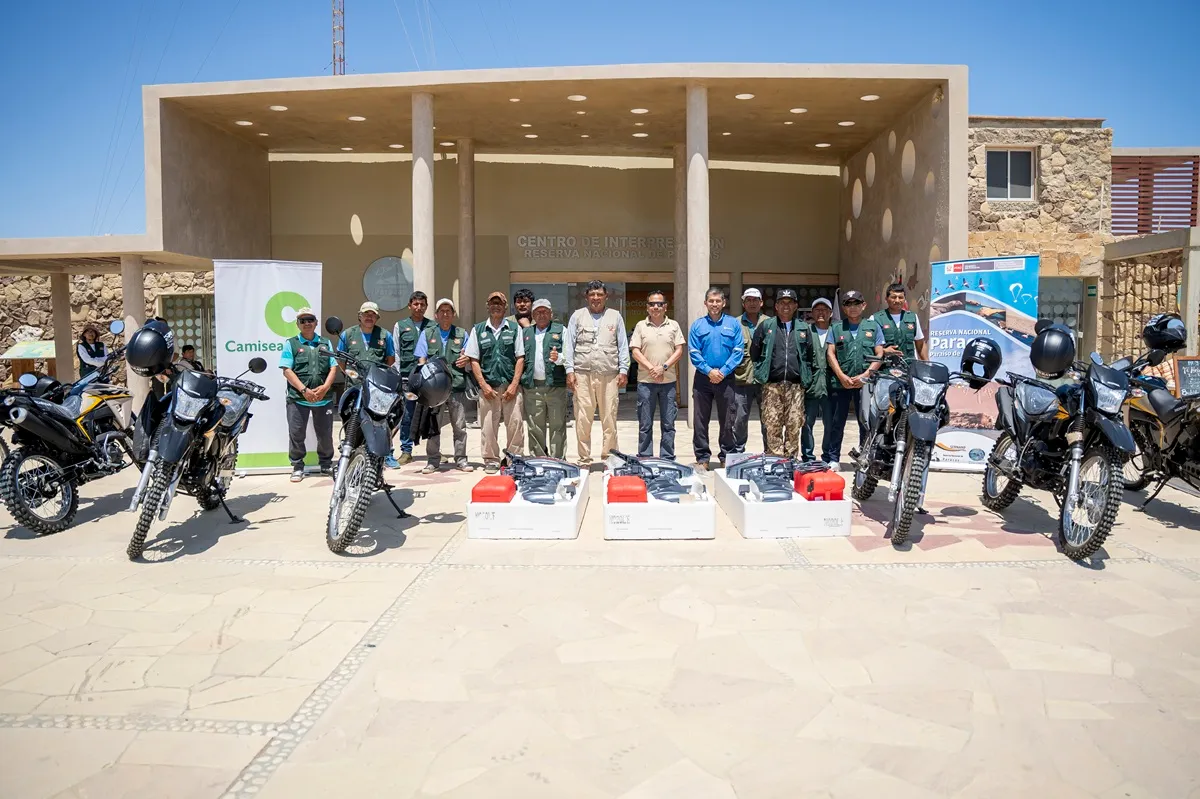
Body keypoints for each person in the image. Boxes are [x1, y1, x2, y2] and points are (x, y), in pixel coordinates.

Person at [563, 280, 629, 467]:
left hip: (609, 374)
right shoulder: (577, 316)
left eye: (599, 294)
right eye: (592, 294)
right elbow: (569, 345)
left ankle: (609, 458)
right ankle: (584, 459)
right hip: (582, 375)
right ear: (587, 297)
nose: (596, 298)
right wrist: (569, 370)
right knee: (583, 418)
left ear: (606, 296)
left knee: (610, 418)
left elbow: (623, 345)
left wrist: (623, 370)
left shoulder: (615, 316)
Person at [749, 289, 820, 459]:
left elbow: (810, 356)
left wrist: (806, 378)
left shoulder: (803, 328)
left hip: (795, 387)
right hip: (772, 386)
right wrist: (762, 373)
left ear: (796, 306)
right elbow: (754, 353)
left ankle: (790, 461)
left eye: (790, 303)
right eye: (782, 302)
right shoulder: (766, 326)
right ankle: (775, 461)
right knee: (772, 425)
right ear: (776, 306)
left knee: (794, 425)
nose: (785, 306)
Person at [466, 291, 525, 473]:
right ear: (488, 306)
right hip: (488, 387)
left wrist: (514, 385)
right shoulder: (478, 330)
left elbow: (520, 358)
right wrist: (483, 386)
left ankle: (514, 459)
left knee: (515, 423)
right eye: (493, 303)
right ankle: (491, 459)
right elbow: (474, 359)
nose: (496, 306)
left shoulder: (514, 329)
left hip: (510, 386)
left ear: (505, 307)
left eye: (499, 303)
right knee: (488, 426)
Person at [688, 287, 744, 470]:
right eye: (711, 301)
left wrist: (723, 371)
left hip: (726, 378)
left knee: (727, 420)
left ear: (723, 303)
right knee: (700, 420)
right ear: (705, 303)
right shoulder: (697, 325)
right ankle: (702, 458)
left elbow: (738, 351)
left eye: (718, 301)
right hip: (703, 379)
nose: (714, 304)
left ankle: (726, 455)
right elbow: (694, 352)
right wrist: (709, 371)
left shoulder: (733, 324)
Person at [414, 298, 472, 473]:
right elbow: (421, 359)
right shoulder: (427, 334)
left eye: (449, 311)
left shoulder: (462, 334)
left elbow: (470, 356)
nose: (445, 314)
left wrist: (466, 358)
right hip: (435, 390)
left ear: (453, 315)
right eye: (442, 311)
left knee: (459, 426)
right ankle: (433, 460)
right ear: (436, 315)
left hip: (456, 387)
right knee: (434, 426)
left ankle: (461, 459)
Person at [280, 307, 337, 482]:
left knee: (325, 434)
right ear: (298, 324)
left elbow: (333, 367)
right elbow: (287, 370)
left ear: (316, 323)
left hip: (323, 399)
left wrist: (325, 387)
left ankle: (326, 464)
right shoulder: (291, 343)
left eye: (310, 320)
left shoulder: (325, 343)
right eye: (303, 321)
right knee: (296, 433)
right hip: (298, 399)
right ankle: (298, 466)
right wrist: (304, 390)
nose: (307, 323)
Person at [826, 290, 883, 464]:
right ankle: (833, 459)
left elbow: (879, 354)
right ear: (843, 308)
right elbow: (830, 353)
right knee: (837, 422)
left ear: (863, 305)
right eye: (848, 304)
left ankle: (864, 457)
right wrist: (841, 376)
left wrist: (866, 375)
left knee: (865, 422)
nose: (853, 307)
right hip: (841, 383)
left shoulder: (873, 327)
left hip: (864, 384)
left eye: (856, 303)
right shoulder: (836, 328)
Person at [630, 290, 685, 460]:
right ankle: (645, 457)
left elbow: (679, 350)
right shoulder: (640, 326)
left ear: (665, 307)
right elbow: (635, 351)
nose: (656, 307)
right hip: (646, 382)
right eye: (652, 304)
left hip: (668, 382)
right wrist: (652, 368)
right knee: (645, 424)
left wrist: (664, 367)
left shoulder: (674, 325)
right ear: (647, 307)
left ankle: (667, 457)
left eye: (659, 304)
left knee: (668, 423)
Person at [521, 299, 569, 458]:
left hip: (555, 386)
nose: (541, 315)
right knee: (535, 427)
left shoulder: (561, 330)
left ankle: (558, 459)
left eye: (545, 311)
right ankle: (539, 459)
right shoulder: (525, 333)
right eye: (538, 312)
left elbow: (570, 356)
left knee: (558, 425)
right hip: (532, 388)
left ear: (551, 314)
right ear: (533, 315)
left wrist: (559, 357)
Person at [391, 291, 431, 466]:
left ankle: (433, 451)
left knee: (431, 415)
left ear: (426, 307)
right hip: (408, 376)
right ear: (409, 306)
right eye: (416, 304)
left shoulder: (432, 326)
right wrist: (398, 376)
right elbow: (396, 352)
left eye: (422, 304)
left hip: (429, 378)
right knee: (407, 414)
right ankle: (406, 451)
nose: (419, 307)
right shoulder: (400, 326)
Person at [799, 298, 835, 464]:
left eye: (825, 310)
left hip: (830, 385)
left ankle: (827, 455)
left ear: (831, 313)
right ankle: (808, 456)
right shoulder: (806, 332)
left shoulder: (836, 331)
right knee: (807, 423)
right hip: (811, 385)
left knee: (830, 423)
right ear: (812, 313)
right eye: (817, 310)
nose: (821, 313)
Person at [733, 287, 767, 453]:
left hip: (765, 380)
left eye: (755, 300)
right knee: (739, 419)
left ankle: (770, 452)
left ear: (761, 303)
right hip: (741, 379)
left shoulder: (770, 323)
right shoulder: (735, 323)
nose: (752, 303)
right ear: (743, 303)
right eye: (749, 300)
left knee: (768, 419)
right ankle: (737, 453)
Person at [872, 283, 928, 360]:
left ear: (905, 299)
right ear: (886, 299)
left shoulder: (912, 317)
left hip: (909, 365)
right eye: (893, 297)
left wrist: (927, 364)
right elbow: (868, 346)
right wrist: (884, 351)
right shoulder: (875, 319)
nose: (897, 300)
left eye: (901, 297)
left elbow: (920, 345)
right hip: (885, 366)